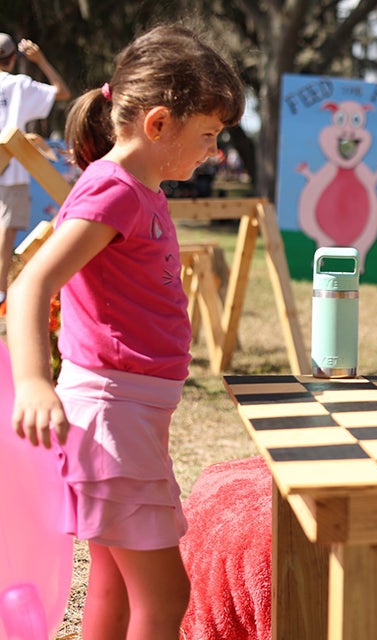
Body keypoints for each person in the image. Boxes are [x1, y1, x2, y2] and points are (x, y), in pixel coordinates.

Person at [7, 25, 244, 639]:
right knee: (166, 596)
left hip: (126, 415)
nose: (214, 151)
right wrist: (33, 382)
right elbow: (32, 286)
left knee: (113, 589)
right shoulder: (113, 191)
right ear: (158, 124)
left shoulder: (140, 189)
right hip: (112, 416)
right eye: (209, 135)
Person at [0, 33, 71, 312]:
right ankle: (1, 296)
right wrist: (40, 60)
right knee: (5, 240)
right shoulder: (19, 85)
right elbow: (62, 92)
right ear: (13, 59)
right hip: (12, 172)